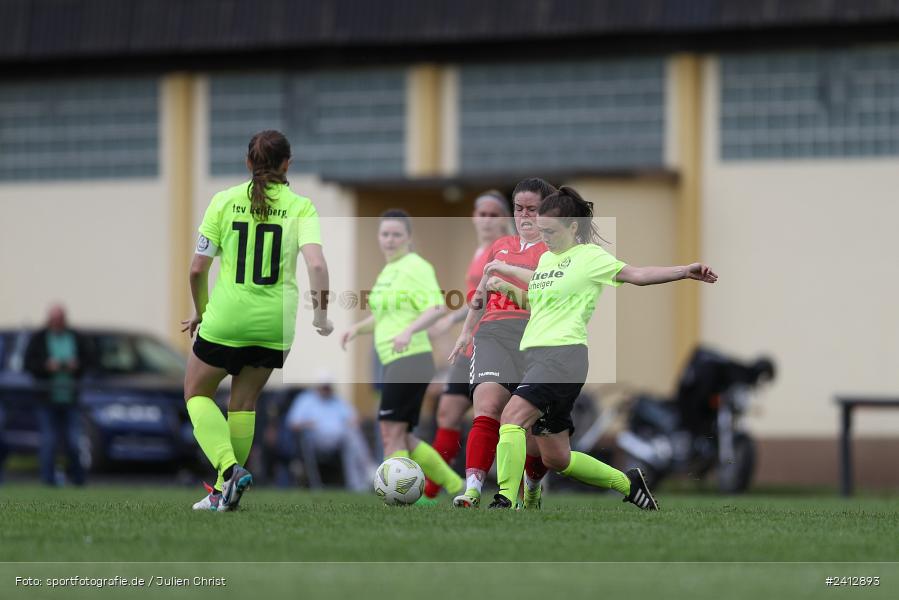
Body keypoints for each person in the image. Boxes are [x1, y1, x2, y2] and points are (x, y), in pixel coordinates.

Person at [488, 186, 718, 510]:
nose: (545, 238)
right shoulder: (547, 259)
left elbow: (637, 274)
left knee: (511, 418)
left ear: (572, 227)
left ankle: (504, 501)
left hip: (562, 356)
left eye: (550, 231)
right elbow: (539, 298)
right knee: (557, 458)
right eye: (541, 231)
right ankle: (628, 484)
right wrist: (504, 280)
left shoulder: (590, 258)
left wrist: (684, 271)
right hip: (540, 357)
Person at [185, 129, 333, 512]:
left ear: (248, 162)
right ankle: (224, 494)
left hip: (227, 319)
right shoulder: (301, 207)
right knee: (244, 403)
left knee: (196, 394)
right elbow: (317, 265)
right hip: (274, 324)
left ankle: (228, 470)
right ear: (287, 164)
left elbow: (197, 269)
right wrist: (321, 315)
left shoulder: (223, 201)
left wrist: (201, 310)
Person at [448, 178, 556, 508]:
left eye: (532, 209)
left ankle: (532, 488)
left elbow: (548, 301)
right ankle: (472, 490)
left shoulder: (555, 251)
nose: (524, 215)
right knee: (487, 406)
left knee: (531, 431)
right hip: (493, 333)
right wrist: (466, 331)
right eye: (519, 208)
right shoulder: (500, 246)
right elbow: (481, 292)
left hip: (535, 336)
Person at [341, 210, 463, 499]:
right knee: (403, 434)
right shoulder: (388, 271)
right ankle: (456, 485)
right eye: (385, 234)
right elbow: (383, 317)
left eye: (396, 234)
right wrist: (357, 329)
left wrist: (409, 331)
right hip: (394, 360)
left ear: (408, 237)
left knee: (390, 433)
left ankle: (401, 495)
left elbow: (436, 308)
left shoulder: (415, 266)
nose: (390, 239)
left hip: (411, 358)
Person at [420, 190, 512, 501]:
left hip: (495, 344)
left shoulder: (507, 250)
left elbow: (498, 297)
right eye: (481, 214)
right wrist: (453, 319)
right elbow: (477, 298)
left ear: (504, 218)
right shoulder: (479, 250)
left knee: (502, 418)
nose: (486, 220)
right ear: (473, 217)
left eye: (493, 214)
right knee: (447, 412)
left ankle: (518, 486)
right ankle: (429, 491)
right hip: (470, 345)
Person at [24, 304, 92, 486]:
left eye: (59, 319)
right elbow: (28, 364)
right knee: (49, 441)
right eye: (53, 319)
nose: (56, 322)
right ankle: (48, 481)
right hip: (46, 398)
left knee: (73, 441)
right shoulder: (39, 339)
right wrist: (46, 366)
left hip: (70, 398)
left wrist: (76, 366)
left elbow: (89, 360)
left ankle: (78, 480)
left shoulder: (76, 337)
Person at [285, 373, 376, 491]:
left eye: (328, 387)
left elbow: (354, 418)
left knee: (352, 435)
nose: (326, 390)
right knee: (351, 436)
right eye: (324, 387)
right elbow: (292, 423)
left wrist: (352, 422)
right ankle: (369, 470)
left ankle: (359, 484)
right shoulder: (305, 400)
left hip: (339, 439)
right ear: (317, 387)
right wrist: (307, 424)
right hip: (315, 440)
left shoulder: (337, 401)